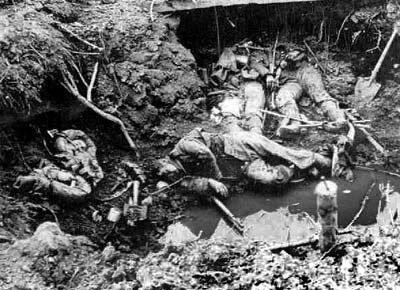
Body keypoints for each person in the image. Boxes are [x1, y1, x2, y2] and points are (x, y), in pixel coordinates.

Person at [154, 128, 332, 197]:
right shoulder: (180, 177)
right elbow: (195, 185)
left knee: (281, 151)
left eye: (164, 169)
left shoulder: (182, 146)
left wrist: (216, 177)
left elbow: (205, 153)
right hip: (242, 166)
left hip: (238, 143)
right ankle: (298, 170)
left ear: (165, 160)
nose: (167, 173)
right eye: (164, 176)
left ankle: (319, 160)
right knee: (273, 180)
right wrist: (210, 183)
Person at [270, 48, 346, 137]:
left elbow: (301, 57)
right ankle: (294, 123)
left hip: (306, 71)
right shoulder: (269, 54)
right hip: (291, 82)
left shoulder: (301, 59)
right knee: (284, 96)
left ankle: (337, 117)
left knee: (320, 95)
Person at [13, 160, 92, 203]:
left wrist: (53, 182)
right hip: (51, 179)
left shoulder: (82, 190)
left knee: (40, 182)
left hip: (53, 186)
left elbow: (58, 188)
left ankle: (19, 184)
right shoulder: (76, 179)